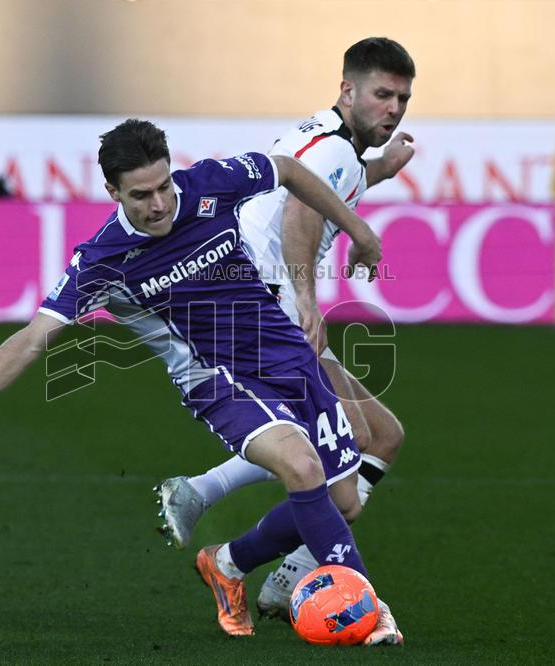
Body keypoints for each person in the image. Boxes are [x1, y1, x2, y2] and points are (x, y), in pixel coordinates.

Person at [0, 119, 402, 644]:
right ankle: (369, 610)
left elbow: (289, 170)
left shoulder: (209, 184)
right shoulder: (101, 260)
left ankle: (227, 564)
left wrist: (360, 231)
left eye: (163, 186)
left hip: (286, 357)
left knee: (343, 499)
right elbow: (32, 339)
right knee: (302, 468)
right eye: (141, 195)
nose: (159, 203)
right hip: (216, 379)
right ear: (112, 192)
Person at [154, 37, 415, 618]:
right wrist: (306, 298)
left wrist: (379, 171)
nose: (393, 109)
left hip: (253, 298)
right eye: (382, 94)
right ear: (348, 89)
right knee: (334, 463)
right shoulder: (336, 150)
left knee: (382, 436)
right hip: (264, 305)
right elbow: (301, 210)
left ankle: (250, 563)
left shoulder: (328, 139)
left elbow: (321, 187)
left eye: (402, 98)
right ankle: (216, 512)